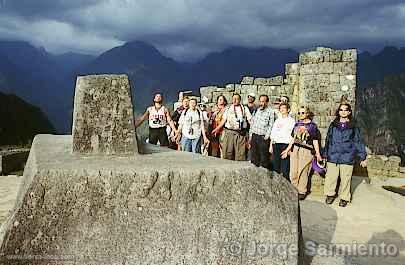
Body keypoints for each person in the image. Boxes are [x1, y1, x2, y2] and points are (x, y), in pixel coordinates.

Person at [323, 103, 367, 207]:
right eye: (341, 110)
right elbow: (328, 140)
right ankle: (330, 195)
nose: (343, 112)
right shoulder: (333, 125)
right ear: (338, 112)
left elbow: (358, 141)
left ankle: (344, 197)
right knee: (331, 177)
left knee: (345, 179)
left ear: (349, 112)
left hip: (347, 156)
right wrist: (325, 155)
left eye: (345, 110)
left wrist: (362, 157)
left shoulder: (353, 126)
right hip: (333, 155)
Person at [281, 106, 322, 200]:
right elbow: (293, 138)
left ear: (307, 114)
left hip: (306, 150)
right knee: (293, 171)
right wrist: (287, 150)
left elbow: (315, 140)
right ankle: (294, 189)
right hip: (295, 149)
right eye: (299, 113)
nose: (300, 115)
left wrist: (318, 153)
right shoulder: (297, 124)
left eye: (303, 113)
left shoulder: (312, 126)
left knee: (303, 171)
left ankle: (302, 191)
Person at [212, 93, 252, 161]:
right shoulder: (228, 109)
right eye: (233, 99)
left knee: (240, 154)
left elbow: (250, 120)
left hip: (240, 134)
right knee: (227, 153)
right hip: (229, 133)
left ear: (240, 100)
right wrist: (216, 129)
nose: (235, 100)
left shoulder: (245, 109)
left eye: (237, 99)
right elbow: (224, 120)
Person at [270, 102, 295, 180]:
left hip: (285, 145)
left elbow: (293, 136)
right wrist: (271, 145)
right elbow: (273, 133)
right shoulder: (277, 120)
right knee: (276, 167)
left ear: (288, 110)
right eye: (281, 108)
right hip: (276, 144)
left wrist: (288, 149)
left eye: (284, 108)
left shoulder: (291, 121)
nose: (282, 110)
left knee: (285, 168)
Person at [248, 95, 274, 169]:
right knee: (254, 159)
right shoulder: (256, 110)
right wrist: (250, 136)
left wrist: (266, 137)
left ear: (267, 102)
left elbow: (271, 125)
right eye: (260, 101)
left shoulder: (271, 112)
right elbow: (252, 124)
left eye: (263, 101)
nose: (261, 103)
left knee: (264, 160)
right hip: (254, 136)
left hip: (263, 138)